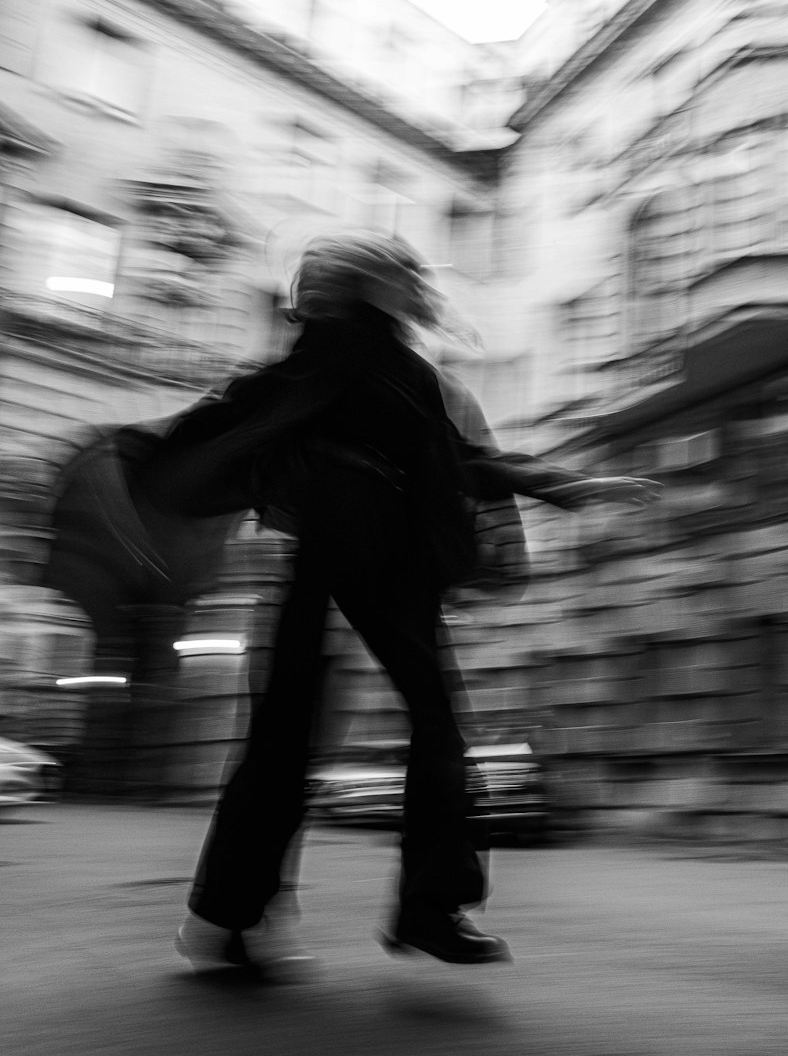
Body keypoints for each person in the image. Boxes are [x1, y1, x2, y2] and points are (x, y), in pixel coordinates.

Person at [148, 231, 654, 976]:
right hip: (363, 549)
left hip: (342, 550)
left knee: (292, 736)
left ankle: (228, 916)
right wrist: (561, 485)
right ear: (369, 288)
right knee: (411, 726)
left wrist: (566, 484)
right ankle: (416, 909)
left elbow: (457, 460)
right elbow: (458, 461)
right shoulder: (356, 360)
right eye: (402, 278)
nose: (419, 290)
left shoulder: (361, 365)